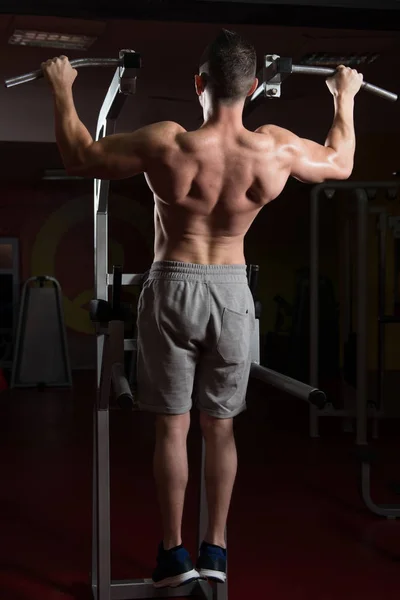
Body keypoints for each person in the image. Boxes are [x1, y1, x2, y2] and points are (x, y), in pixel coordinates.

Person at [42, 29, 363, 589]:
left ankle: (173, 554)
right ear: (256, 87)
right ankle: (215, 549)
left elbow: (79, 157)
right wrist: (345, 98)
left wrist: (63, 88)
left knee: (173, 428)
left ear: (199, 84)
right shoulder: (275, 147)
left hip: (171, 284)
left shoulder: (169, 143)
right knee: (221, 429)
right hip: (234, 290)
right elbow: (340, 163)